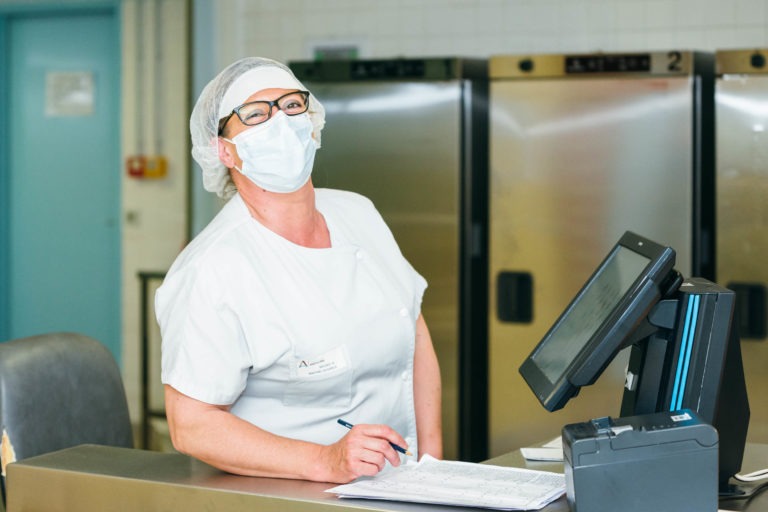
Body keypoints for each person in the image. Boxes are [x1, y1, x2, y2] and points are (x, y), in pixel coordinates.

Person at [155, 57, 442, 484]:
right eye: (255, 115)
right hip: (287, 494)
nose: (280, 123)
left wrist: (433, 465)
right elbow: (191, 424)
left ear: (313, 124)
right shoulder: (212, 269)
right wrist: (326, 461)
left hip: (402, 485)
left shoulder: (357, 212)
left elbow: (413, 331)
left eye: (292, 106)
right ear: (223, 150)